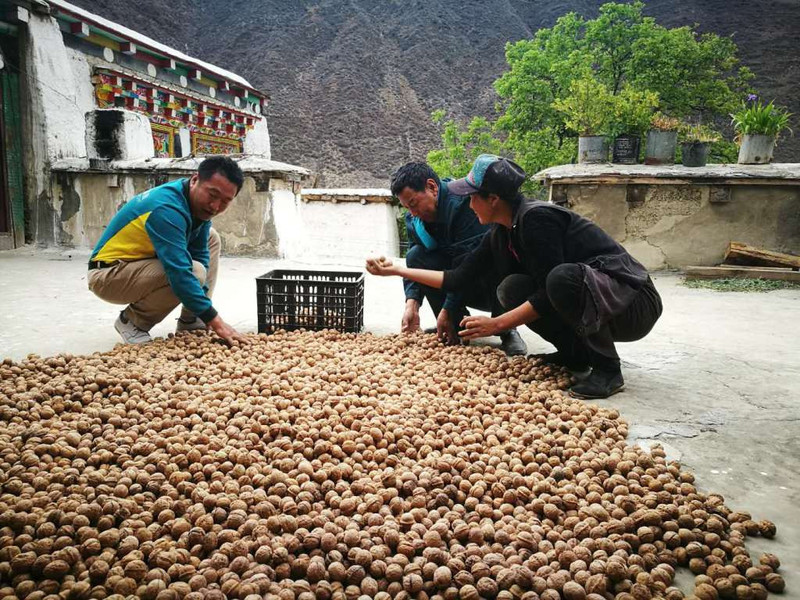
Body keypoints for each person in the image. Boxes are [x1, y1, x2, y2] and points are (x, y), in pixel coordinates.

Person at [368, 154, 663, 399]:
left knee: (560, 279)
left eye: (473, 198)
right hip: (598, 302)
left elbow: (550, 292)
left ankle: (608, 369)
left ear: (493, 198)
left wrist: (497, 324)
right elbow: (458, 277)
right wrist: (395, 269)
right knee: (513, 288)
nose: (469, 205)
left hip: (632, 304)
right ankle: (575, 354)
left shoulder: (537, 219)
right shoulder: (500, 229)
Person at [87, 156, 248, 346]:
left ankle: (191, 320)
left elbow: (201, 253)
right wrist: (216, 321)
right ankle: (132, 322)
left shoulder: (194, 205)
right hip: (108, 275)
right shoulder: (166, 209)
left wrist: (201, 308)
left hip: (140, 266)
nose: (215, 206)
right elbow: (178, 272)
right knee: (192, 272)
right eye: (212, 195)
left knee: (211, 239)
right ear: (195, 179)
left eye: (225, 201)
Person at [391, 162, 526, 356]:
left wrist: (446, 308)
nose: (412, 212)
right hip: (455, 276)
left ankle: (505, 328)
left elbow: (466, 265)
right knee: (415, 255)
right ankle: (455, 324)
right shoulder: (415, 219)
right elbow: (414, 259)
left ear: (432, 187)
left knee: (498, 258)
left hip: (486, 283)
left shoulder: (466, 206)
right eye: (406, 207)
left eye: (413, 203)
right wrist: (412, 303)